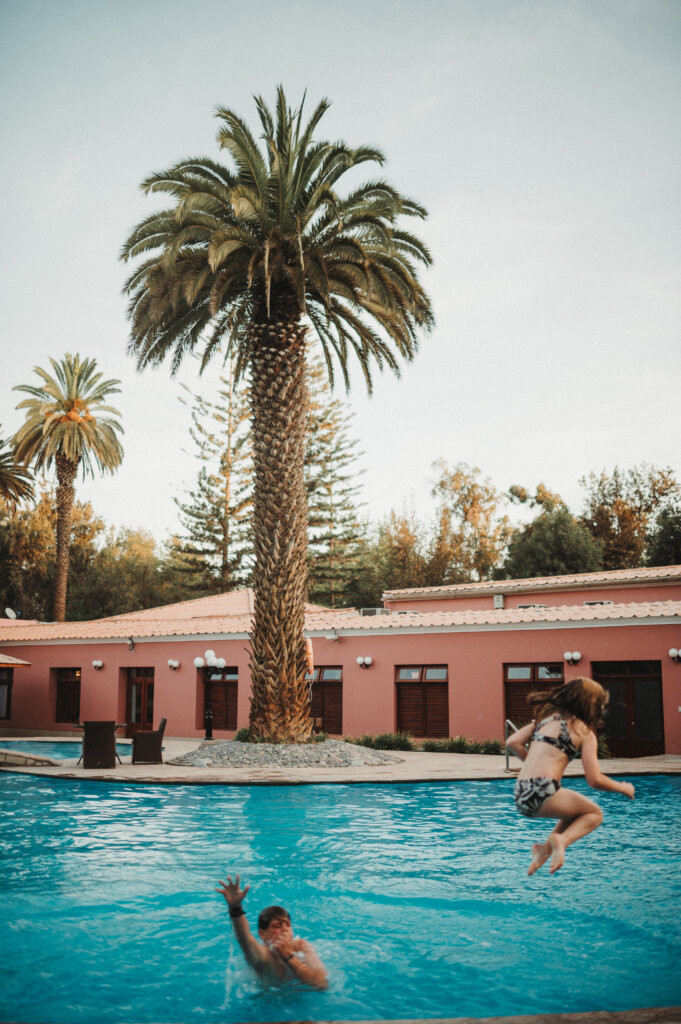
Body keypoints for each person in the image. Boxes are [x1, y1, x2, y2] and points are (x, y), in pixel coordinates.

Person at [506, 676, 635, 876]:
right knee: (594, 814)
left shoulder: (544, 721)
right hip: (543, 789)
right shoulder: (584, 731)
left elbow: (512, 742)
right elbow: (594, 780)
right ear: (591, 705)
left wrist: (532, 764)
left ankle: (544, 850)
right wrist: (623, 788)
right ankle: (562, 841)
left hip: (520, 793)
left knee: (573, 812)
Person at [215, 875, 328, 989]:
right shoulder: (262, 956)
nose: (285, 929)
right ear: (262, 934)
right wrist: (235, 908)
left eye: (288, 925)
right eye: (277, 926)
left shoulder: (301, 947)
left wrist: (288, 956)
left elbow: (322, 983)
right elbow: (244, 938)